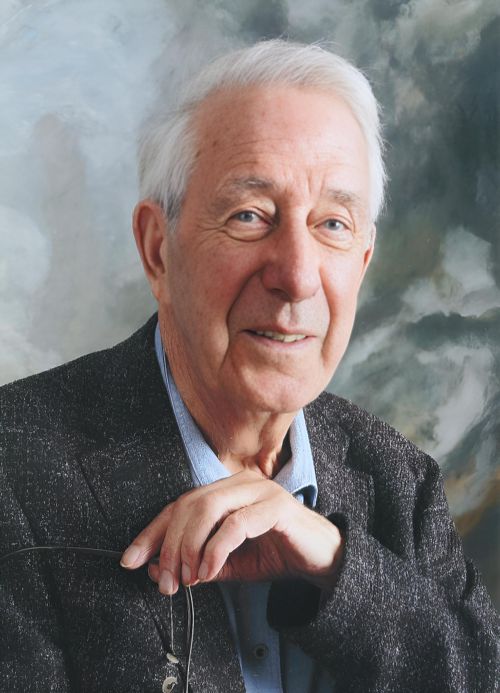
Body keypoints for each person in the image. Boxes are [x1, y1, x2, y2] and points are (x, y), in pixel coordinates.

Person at [0, 40, 497, 693]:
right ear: (157, 250)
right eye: (249, 216)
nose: (297, 275)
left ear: (363, 262)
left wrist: (337, 566)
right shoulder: (15, 466)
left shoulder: (401, 484)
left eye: (333, 224)